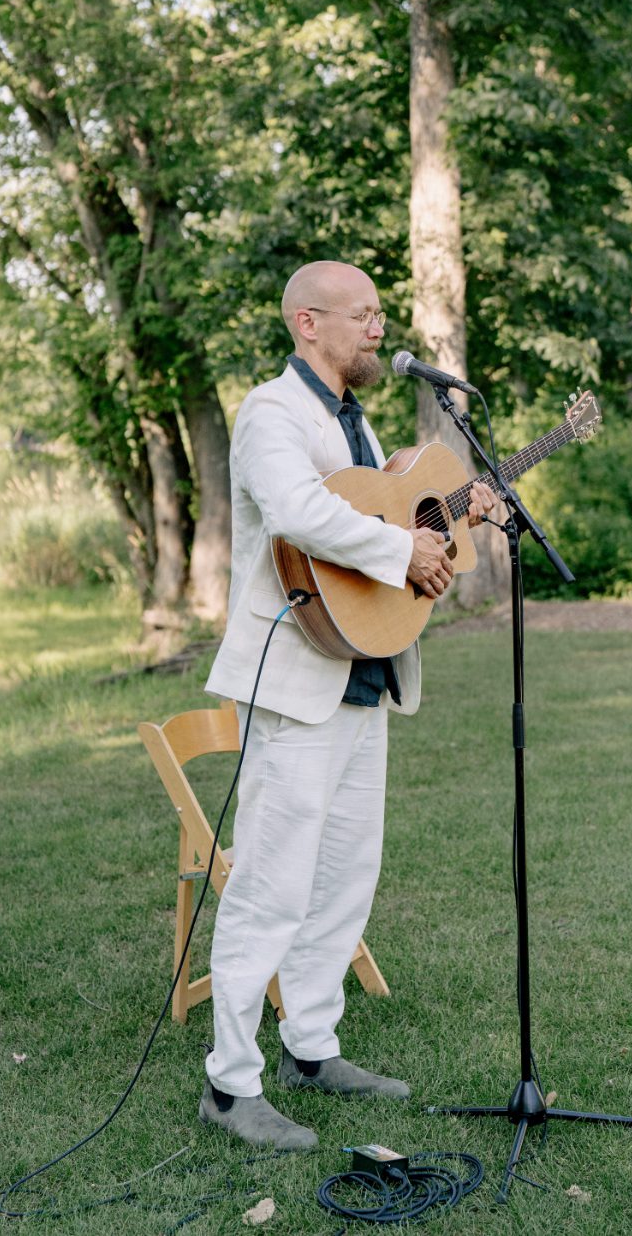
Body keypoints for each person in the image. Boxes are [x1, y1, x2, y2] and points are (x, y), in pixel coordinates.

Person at [201, 260, 495, 1150]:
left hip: (364, 669)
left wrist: (457, 518)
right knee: (272, 882)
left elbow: (401, 519)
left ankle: (312, 1045)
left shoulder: (357, 421)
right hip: (293, 677)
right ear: (307, 324)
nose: (378, 329)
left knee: (345, 874)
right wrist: (398, 553)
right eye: (361, 316)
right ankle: (228, 1083)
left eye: (378, 315)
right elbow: (295, 510)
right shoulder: (272, 413)